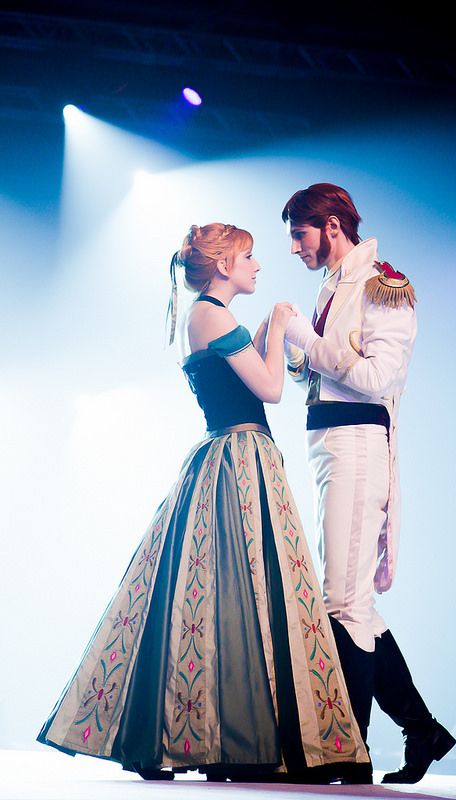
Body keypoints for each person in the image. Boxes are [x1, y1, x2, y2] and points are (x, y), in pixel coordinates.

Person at [37, 222, 371, 784]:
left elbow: (251, 374)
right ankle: (238, 739)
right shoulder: (212, 315)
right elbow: (269, 388)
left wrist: (267, 327)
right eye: (248, 255)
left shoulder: (213, 318)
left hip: (238, 454)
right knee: (242, 595)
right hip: (239, 456)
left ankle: (230, 735)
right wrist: (283, 325)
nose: (258, 265)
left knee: (226, 598)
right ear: (222, 264)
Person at [280, 184, 456, 784]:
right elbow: (319, 364)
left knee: (342, 602)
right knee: (356, 603)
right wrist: (301, 349)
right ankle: (420, 730)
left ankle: (345, 752)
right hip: (328, 444)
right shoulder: (334, 282)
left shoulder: (386, 284)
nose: (295, 249)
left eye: (300, 235)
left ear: (331, 225)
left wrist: (308, 342)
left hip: (357, 444)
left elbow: (379, 377)